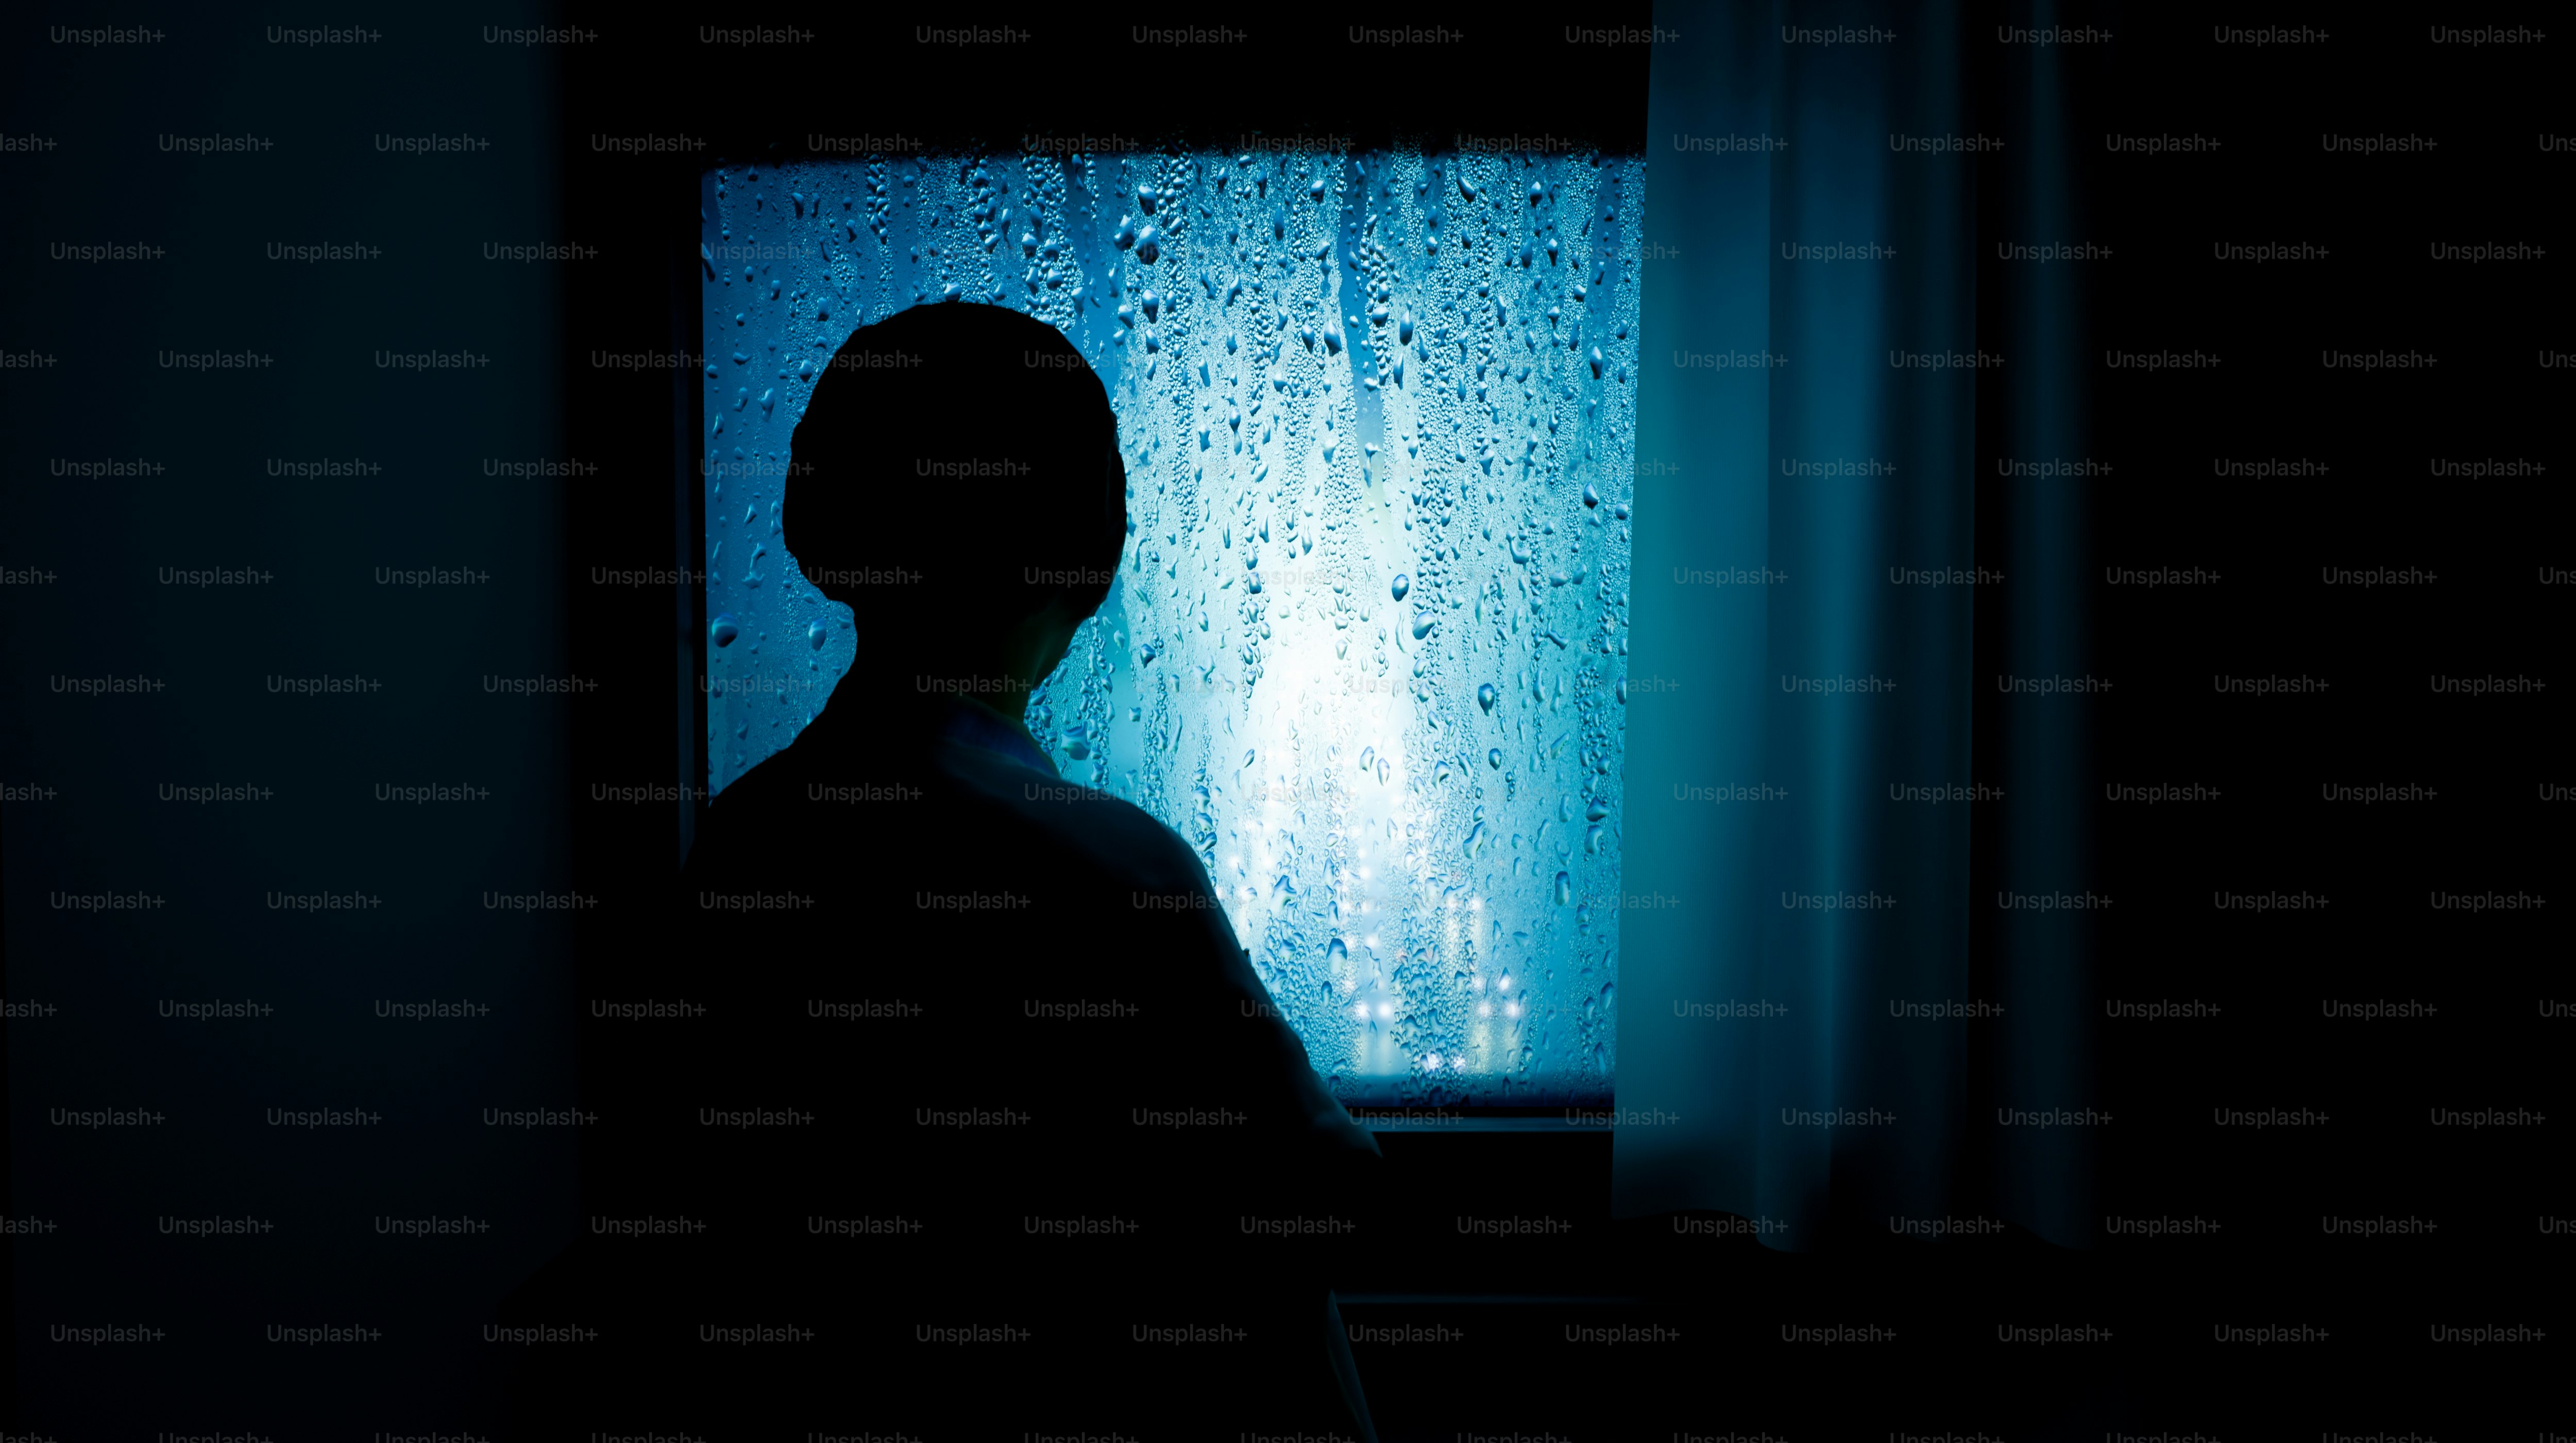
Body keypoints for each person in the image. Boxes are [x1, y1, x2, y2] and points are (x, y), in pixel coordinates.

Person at [502, 301, 1382, 1439]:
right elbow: (1326, 1197)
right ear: (1086, 559)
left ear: (821, 533)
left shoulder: (742, 844)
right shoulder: (1120, 873)